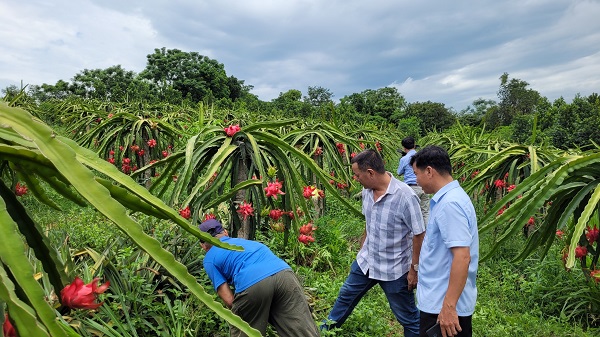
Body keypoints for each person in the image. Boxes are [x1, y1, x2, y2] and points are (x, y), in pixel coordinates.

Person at [322, 149, 425, 337]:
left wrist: (414, 269)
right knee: (345, 298)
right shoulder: (367, 191)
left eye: (357, 175)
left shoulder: (405, 196)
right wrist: (362, 249)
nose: (355, 178)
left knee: (407, 317)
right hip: (366, 262)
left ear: (370, 173)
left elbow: (419, 233)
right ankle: (323, 332)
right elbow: (369, 223)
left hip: (394, 269)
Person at [198, 219, 320, 337]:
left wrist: (249, 311)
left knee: (245, 331)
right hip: (284, 274)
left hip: (253, 282)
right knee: (301, 329)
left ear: (203, 245)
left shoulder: (209, 259)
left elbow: (229, 300)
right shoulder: (246, 243)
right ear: (225, 232)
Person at [410, 146, 479, 337]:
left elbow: (462, 257)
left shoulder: (450, 204)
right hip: (440, 301)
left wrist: (449, 307)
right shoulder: (449, 199)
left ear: (429, 171)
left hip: (443, 307)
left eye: (417, 174)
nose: (416, 180)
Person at [397, 136, 430, 225]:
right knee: (425, 213)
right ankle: (427, 235)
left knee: (411, 214)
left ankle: (415, 235)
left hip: (411, 188)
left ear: (404, 147)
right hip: (424, 187)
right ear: (414, 145)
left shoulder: (404, 159)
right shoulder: (422, 156)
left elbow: (399, 172)